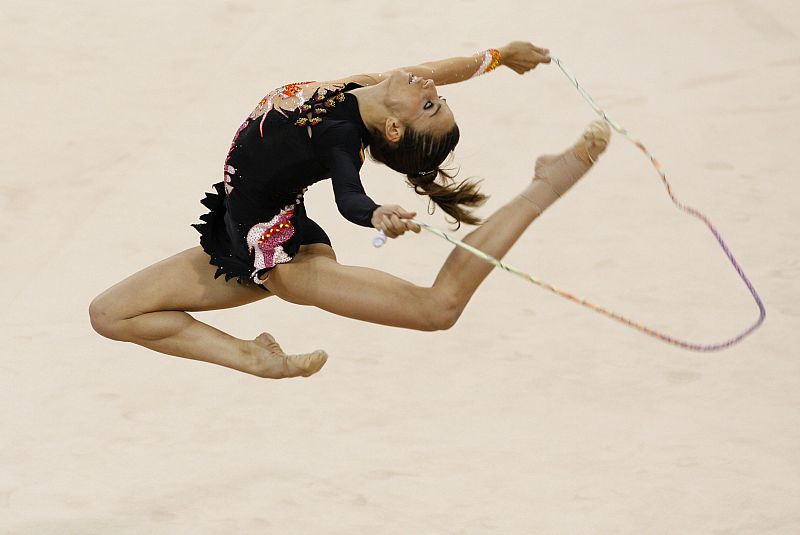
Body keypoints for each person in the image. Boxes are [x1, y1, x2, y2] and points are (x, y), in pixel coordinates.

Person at [89, 41, 611, 379]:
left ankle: (548, 182)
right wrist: (499, 57)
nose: (429, 88)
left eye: (430, 104)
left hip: (284, 264)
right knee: (110, 313)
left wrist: (375, 212)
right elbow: (434, 70)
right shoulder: (363, 90)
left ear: (393, 129)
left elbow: (349, 197)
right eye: (437, 98)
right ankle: (250, 356)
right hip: (236, 238)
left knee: (437, 308)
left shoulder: (340, 138)